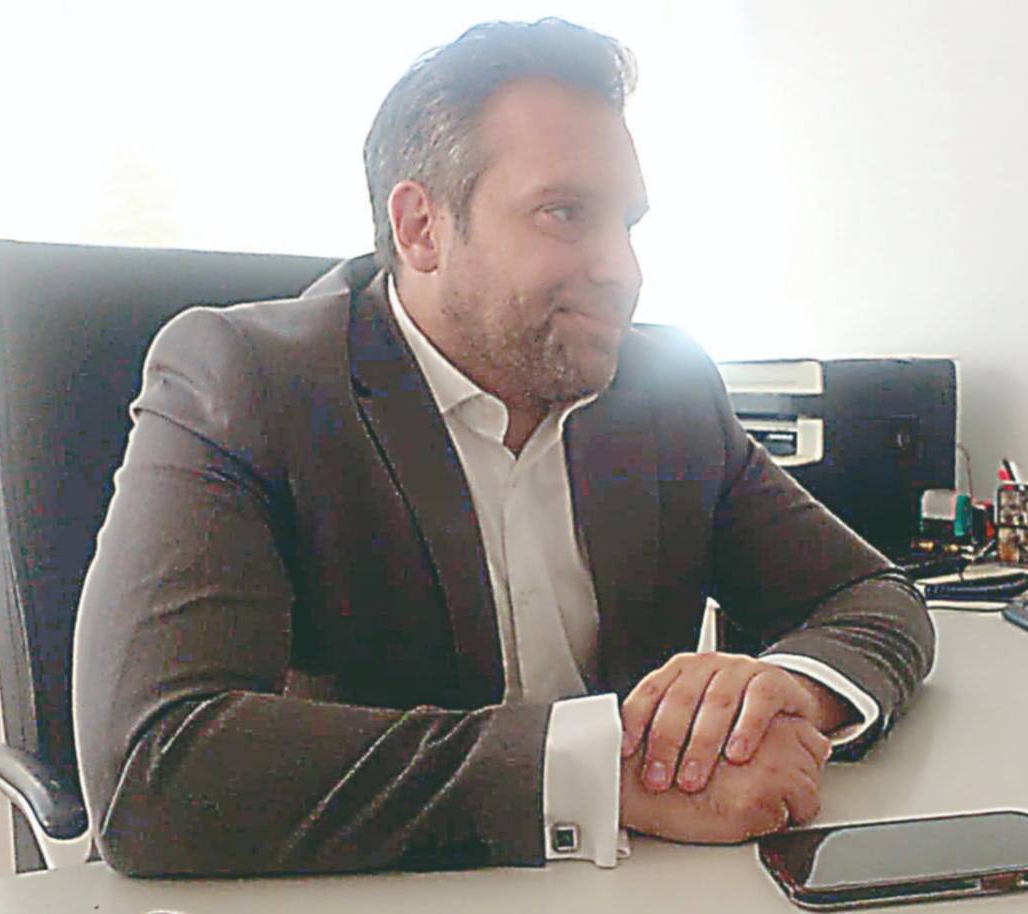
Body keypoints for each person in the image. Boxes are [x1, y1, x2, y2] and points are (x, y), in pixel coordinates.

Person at [72, 17, 934, 877]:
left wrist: (790, 690)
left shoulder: (664, 389)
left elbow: (869, 594)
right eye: (565, 213)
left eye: (627, 222)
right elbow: (156, 768)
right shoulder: (247, 381)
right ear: (421, 228)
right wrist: (595, 775)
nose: (623, 269)